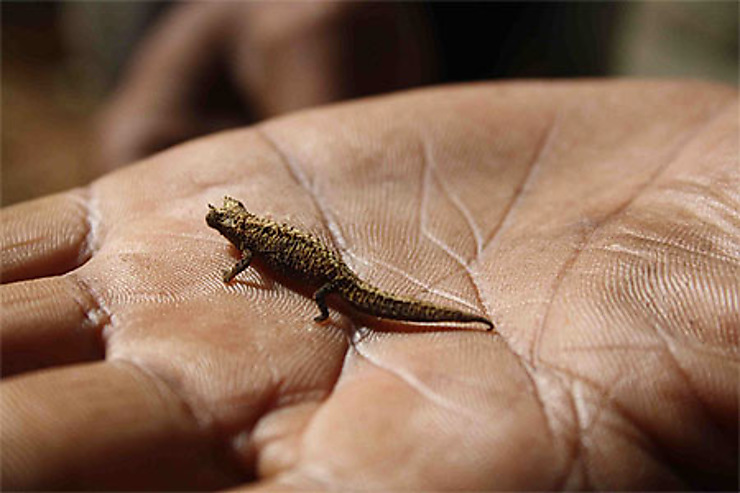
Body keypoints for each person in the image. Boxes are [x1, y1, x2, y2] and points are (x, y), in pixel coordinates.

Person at [2, 79, 737, 490]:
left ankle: (427, 317)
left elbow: (254, 264)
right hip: (333, 271)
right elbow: (253, 255)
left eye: (222, 223)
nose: (222, 227)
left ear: (232, 226)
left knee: (364, 303)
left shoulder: (246, 244)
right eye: (223, 224)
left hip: (337, 283)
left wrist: (311, 301)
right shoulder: (248, 234)